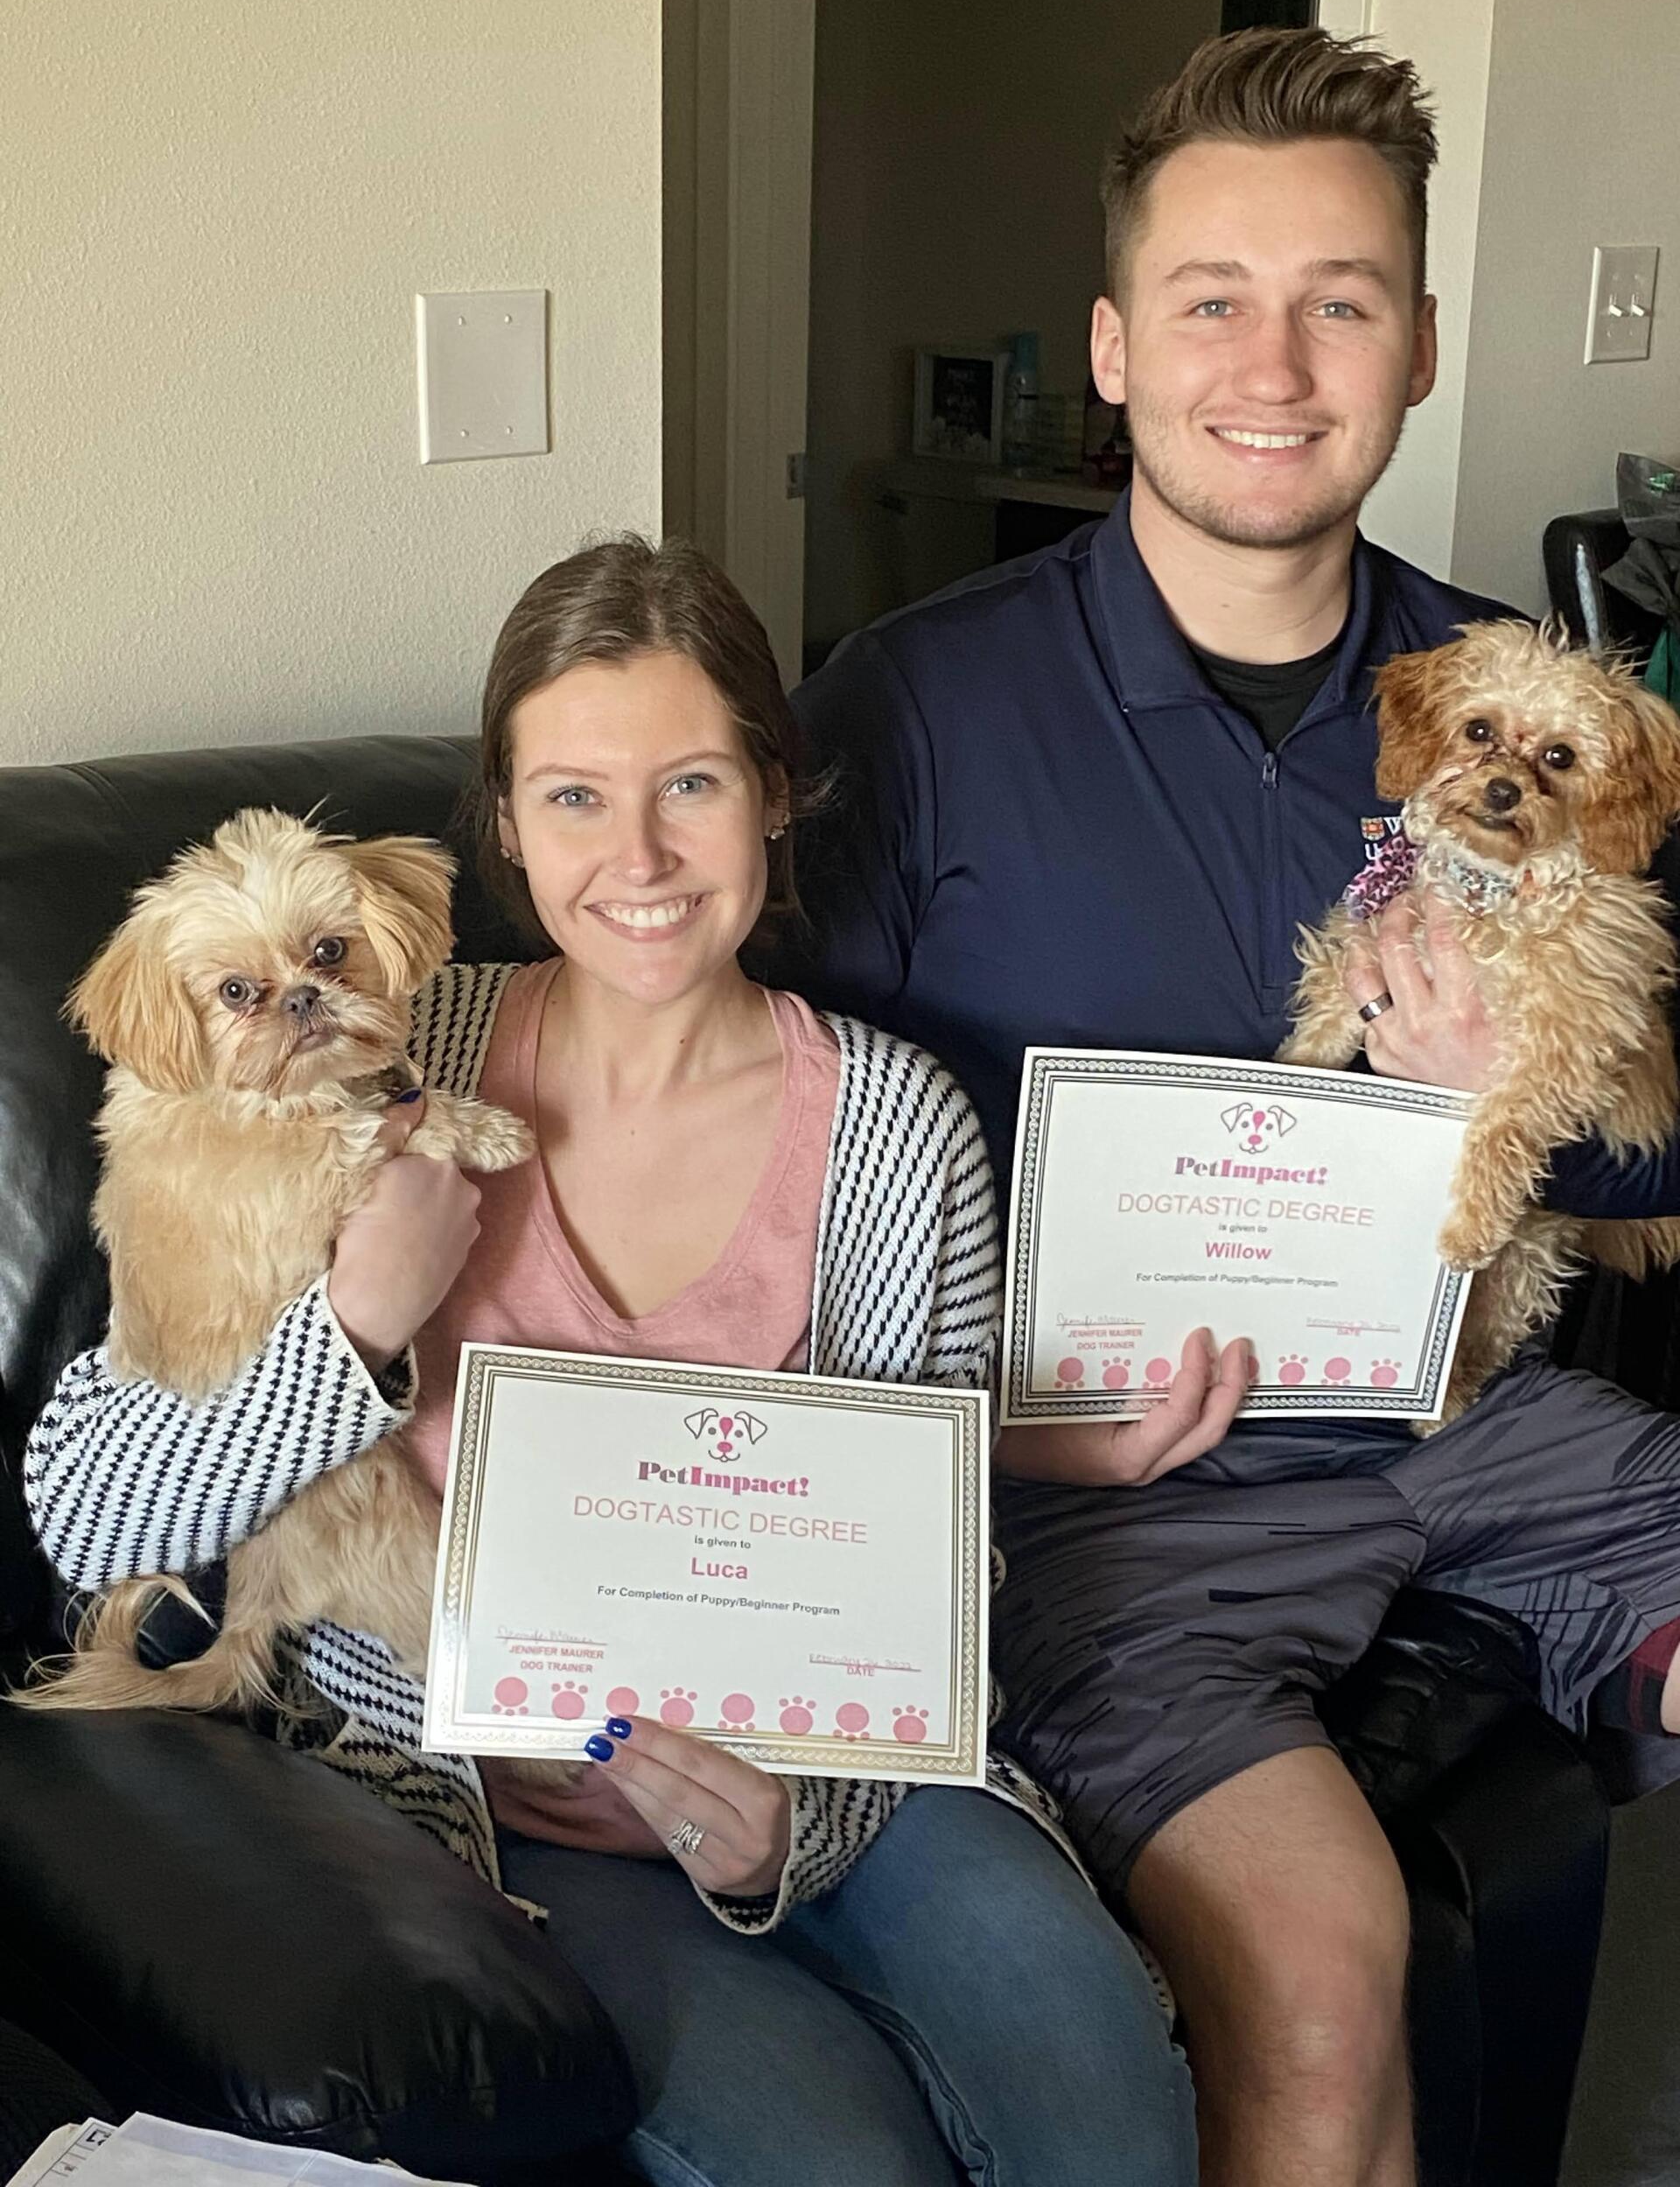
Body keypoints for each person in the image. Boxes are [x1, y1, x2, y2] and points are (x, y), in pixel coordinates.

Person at [781, 26, 1680, 2187]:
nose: (1273, 362)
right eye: (1212, 298)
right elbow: (768, 1184)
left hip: (1479, 1418)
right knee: (1318, 1961)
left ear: (1423, 344)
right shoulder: (910, 709)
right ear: (1111, 344)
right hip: (1112, 1501)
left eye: (1341, 299)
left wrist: (1515, 1108)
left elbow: (1659, 1146)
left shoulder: (1517, 708)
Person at [25, 536, 1196, 2187]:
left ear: (778, 798)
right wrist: (355, 1326)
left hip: (840, 1787)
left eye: (694, 783)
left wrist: (801, 1825)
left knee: (1118, 2130)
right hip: (498, 1813)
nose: (638, 856)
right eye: (573, 796)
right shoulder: (352, 1060)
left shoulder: (897, 1126)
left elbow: (934, 1579)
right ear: (500, 823)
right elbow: (90, 1520)